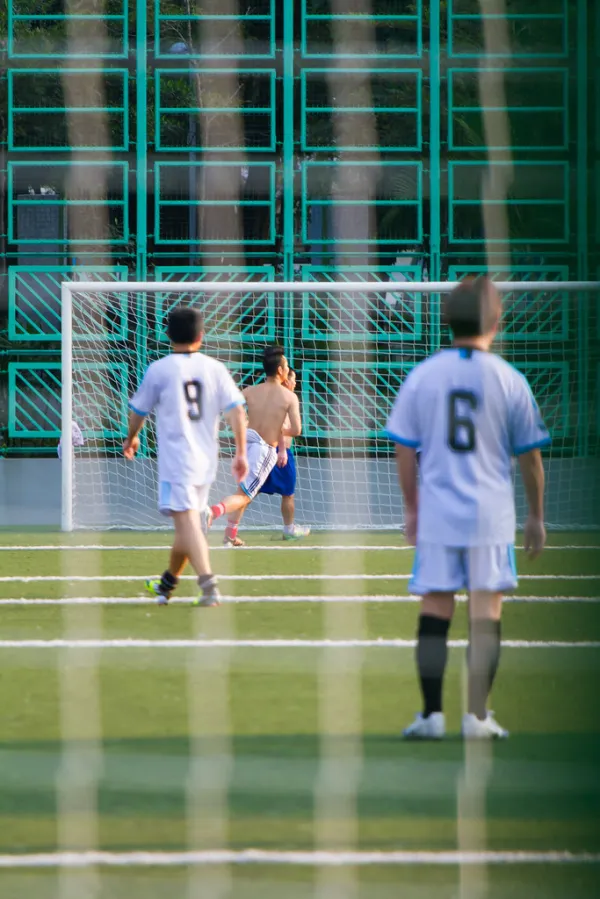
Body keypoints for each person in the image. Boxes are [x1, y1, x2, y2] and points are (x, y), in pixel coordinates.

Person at [385, 276, 549, 740]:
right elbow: (531, 456)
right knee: (485, 611)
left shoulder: (424, 375)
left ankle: (431, 716)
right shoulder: (508, 378)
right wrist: (536, 515)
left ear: (445, 320)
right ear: (498, 320)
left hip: (438, 513)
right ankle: (476, 717)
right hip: (490, 516)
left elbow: (403, 448)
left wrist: (412, 509)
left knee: (436, 607)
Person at [123, 306, 248, 607]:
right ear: (201, 336)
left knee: (188, 520)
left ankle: (208, 585)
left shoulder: (159, 369)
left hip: (177, 460)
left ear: (167, 335)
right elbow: (237, 411)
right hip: (207, 459)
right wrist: (241, 452)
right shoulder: (215, 368)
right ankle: (167, 584)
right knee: (187, 523)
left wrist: (131, 437)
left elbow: (139, 411)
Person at [208, 346, 302, 545]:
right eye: (286, 366)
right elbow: (296, 430)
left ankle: (230, 535)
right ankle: (211, 512)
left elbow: (230, 409)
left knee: (244, 491)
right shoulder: (289, 397)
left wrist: (244, 425)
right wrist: (278, 428)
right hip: (264, 448)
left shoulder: (250, 390)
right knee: (244, 495)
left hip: (247, 442)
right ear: (280, 370)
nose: (288, 370)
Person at [225, 368, 311, 545]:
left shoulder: (285, 398)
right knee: (282, 494)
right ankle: (227, 525)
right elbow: (291, 429)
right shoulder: (283, 399)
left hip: (269, 452)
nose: (295, 383)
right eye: (293, 379)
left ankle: (232, 532)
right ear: (285, 379)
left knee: (249, 494)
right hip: (276, 454)